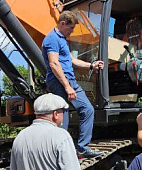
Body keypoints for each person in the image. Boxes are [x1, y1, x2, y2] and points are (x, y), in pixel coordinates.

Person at [42, 10, 104, 159]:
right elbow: (54, 63)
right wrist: (67, 86)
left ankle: (82, 148)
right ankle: (59, 153)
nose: (72, 31)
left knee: (87, 109)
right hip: (59, 81)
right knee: (63, 116)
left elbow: (73, 61)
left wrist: (91, 65)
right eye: (71, 28)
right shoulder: (52, 39)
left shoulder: (62, 39)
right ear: (63, 23)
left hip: (70, 80)